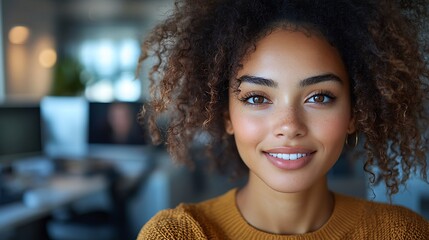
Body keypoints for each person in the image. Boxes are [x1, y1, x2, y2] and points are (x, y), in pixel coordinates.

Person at [137, 0, 429, 239]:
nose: (289, 126)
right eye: (257, 98)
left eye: (319, 97)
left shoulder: (403, 233)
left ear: (354, 112)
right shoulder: (177, 235)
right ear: (226, 115)